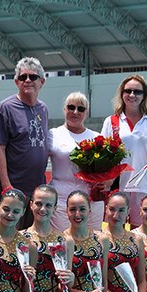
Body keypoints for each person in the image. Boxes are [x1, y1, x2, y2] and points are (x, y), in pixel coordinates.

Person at [101, 74, 147, 228]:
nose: (132, 95)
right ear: (122, 94)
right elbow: (104, 156)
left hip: (145, 186)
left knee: (142, 233)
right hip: (119, 187)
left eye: (137, 92)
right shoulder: (111, 121)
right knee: (115, 232)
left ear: (144, 95)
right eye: (128, 91)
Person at [0, 57, 49, 229]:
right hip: (14, 189)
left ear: (42, 81)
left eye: (33, 77)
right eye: (23, 77)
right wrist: (6, 186)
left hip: (37, 190)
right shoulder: (6, 108)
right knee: (11, 236)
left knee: (34, 237)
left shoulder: (43, 108)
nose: (28, 80)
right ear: (16, 82)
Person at [48, 92, 104, 231]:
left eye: (81, 109)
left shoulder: (97, 137)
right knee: (62, 241)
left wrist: (105, 182)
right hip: (61, 200)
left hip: (91, 200)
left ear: (86, 112)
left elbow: (109, 171)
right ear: (64, 109)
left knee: (92, 239)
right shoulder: (53, 134)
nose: (75, 112)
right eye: (71, 107)